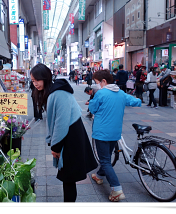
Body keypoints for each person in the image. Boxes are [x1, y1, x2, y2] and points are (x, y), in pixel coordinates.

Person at [30, 63, 97, 202]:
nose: (35, 83)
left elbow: (61, 122)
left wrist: (55, 146)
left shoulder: (59, 93)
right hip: (67, 135)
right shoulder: (50, 92)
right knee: (68, 177)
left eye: (37, 80)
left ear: (46, 77)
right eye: (32, 81)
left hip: (71, 136)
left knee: (68, 178)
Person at [88, 69, 141, 202]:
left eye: (97, 82)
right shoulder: (121, 93)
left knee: (105, 160)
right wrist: (139, 99)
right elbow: (135, 102)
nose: (97, 85)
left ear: (104, 81)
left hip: (101, 133)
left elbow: (93, 109)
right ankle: (99, 175)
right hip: (115, 132)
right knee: (107, 157)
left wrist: (92, 102)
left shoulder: (101, 93)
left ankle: (116, 189)